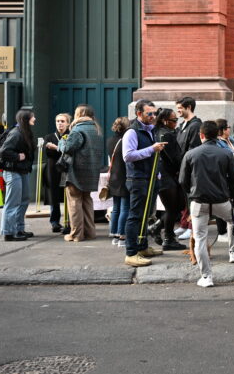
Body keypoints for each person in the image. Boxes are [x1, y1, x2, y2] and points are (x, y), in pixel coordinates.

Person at [179, 120, 234, 287]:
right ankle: (233, 251)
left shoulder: (191, 154)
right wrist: (232, 198)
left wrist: (191, 194)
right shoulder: (226, 154)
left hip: (199, 201)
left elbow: (182, 181)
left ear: (201, 135)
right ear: (217, 134)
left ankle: (206, 276)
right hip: (222, 199)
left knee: (199, 238)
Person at [122, 99, 166, 267]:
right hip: (138, 179)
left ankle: (142, 247)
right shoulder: (132, 132)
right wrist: (151, 149)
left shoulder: (151, 130)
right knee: (135, 216)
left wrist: (158, 174)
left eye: (155, 113)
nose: (153, 116)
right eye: (150, 114)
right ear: (139, 114)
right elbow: (128, 156)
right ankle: (131, 253)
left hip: (150, 178)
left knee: (146, 215)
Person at [58, 104, 104, 242]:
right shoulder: (96, 129)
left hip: (76, 172)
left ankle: (76, 234)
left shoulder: (78, 130)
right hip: (91, 171)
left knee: (74, 202)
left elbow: (67, 148)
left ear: (80, 114)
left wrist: (61, 141)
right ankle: (90, 232)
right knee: (87, 201)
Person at [0, 109, 37, 241]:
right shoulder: (16, 133)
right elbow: (3, 152)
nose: (35, 119)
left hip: (22, 170)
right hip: (13, 171)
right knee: (12, 202)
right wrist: (17, 156)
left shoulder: (25, 132)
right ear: (26, 119)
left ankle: (19, 229)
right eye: (32, 117)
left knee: (24, 200)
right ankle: (8, 232)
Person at [150, 108, 186, 251]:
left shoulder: (161, 132)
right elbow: (174, 158)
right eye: (174, 120)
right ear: (165, 121)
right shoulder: (166, 135)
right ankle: (168, 239)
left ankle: (157, 227)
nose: (176, 123)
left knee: (176, 207)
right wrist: (182, 168)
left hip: (167, 175)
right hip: (167, 176)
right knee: (172, 208)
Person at [42, 113, 70, 233]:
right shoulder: (49, 136)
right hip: (52, 169)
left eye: (63, 121)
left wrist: (56, 148)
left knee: (68, 194)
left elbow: (69, 151)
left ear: (68, 123)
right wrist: (59, 150)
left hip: (66, 169)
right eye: (58, 121)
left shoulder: (71, 136)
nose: (60, 123)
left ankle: (68, 221)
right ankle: (54, 222)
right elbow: (48, 152)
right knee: (53, 195)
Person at [106, 116, 130, 247]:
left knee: (116, 208)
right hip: (124, 176)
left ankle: (114, 235)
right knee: (125, 208)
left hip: (114, 177)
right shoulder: (125, 141)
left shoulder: (110, 140)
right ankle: (122, 236)